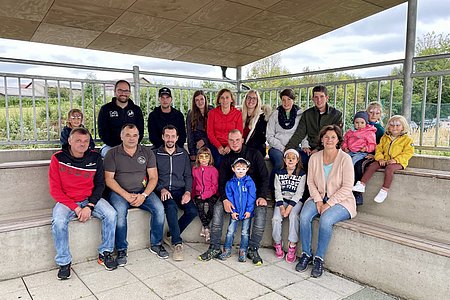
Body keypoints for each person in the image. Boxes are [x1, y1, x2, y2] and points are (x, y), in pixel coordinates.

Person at [49, 127, 118, 280]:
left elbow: (100, 185)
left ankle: (105, 253)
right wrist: (75, 208)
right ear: (70, 141)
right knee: (58, 221)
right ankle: (64, 262)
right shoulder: (58, 158)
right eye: (78, 140)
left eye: (86, 141)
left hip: (89, 199)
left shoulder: (95, 157)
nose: (82, 144)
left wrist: (89, 206)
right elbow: (55, 191)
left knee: (111, 214)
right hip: (67, 201)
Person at [198, 129, 269, 266]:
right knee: (218, 208)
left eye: (237, 140)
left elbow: (264, 177)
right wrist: (224, 199)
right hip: (231, 196)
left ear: (242, 140)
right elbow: (222, 181)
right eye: (231, 140)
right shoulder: (226, 158)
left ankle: (252, 249)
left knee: (261, 211)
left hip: (251, 196)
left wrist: (261, 196)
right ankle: (214, 247)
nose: (234, 143)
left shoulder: (254, 154)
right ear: (228, 141)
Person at [295, 125, 356, 278]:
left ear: (338, 140)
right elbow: (311, 182)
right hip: (319, 196)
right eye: (326, 137)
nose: (329, 140)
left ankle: (319, 258)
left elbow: (347, 187)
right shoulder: (315, 158)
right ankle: (306, 254)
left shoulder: (345, 158)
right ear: (321, 139)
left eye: (333, 137)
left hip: (341, 200)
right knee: (303, 217)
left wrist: (328, 203)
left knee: (326, 219)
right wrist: (318, 200)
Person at [104, 124, 168, 265]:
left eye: (134, 135)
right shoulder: (112, 153)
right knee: (120, 213)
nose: (131, 138)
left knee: (159, 209)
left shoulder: (147, 152)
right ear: (121, 136)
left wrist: (144, 195)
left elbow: (153, 178)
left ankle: (156, 244)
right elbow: (109, 179)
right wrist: (126, 195)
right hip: (119, 193)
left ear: (139, 137)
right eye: (128, 135)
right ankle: (121, 249)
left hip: (142, 192)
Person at [154, 125, 197, 261]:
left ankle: (170, 234)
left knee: (192, 211)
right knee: (171, 207)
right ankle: (177, 243)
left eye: (173, 136)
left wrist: (188, 192)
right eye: (167, 136)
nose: (170, 139)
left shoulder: (182, 153)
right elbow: (151, 177)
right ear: (163, 137)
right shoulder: (155, 153)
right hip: (163, 190)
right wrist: (161, 188)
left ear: (177, 138)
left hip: (180, 190)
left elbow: (188, 176)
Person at [353, 115, 414, 203]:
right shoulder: (385, 137)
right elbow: (379, 149)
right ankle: (361, 184)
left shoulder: (407, 139)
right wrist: (380, 158)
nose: (394, 127)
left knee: (389, 169)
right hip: (384, 160)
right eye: (392, 125)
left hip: (398, 162)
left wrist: (396, 160)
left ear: (403, 127)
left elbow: (408, 153)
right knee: (373, 165)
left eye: (398, 125)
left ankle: (384, 190)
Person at [285, 85, 343, 170]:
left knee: (317, 161)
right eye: (316, 97)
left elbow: (337, 138)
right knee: (296, 160)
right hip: (310, 148)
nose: (319, 100)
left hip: (329, 148)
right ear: (312, 99)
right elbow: (299, 134)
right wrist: (288, 150)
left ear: (327, 98)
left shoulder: (336, 115)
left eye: (321, 97)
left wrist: (319, 149)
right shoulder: (307, 114)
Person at [219, 158, 256, 262]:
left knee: (245, 232)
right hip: (235, 212)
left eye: (243, 169)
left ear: (247, 169)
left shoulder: (250, 182)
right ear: (233, 169)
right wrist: (232, 212)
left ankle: (243, 250)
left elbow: (252, 197)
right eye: (238, 168)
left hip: (246, 213)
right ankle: (227, 249)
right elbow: (229, 198)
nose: (241, 171)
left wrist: (249, 210)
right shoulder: (230, 183)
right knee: (230, 231)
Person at [272, 149, 306, 263]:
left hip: (295, 202)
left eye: (293, 158)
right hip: (282, 200)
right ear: (284, 160)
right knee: (276, 218)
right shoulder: (279, 173)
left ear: (297, 160)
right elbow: (277, 191)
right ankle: (277, 242)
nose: (290, 159)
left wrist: (289, 209)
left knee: (293, 216)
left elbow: (299, 194)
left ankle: (292, 244)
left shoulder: (301, 174)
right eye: (288, 157)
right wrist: (282, 207)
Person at [97, 80, 144, 157]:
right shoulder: (106, 109)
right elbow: (102, 132)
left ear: (129, 92)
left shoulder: (136, 110)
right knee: (110, 156)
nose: (123, 93)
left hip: (132, 145)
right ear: (115, 91)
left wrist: (130, 145)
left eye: (126, 91)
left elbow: (140, 131)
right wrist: (119, 147)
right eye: (120, 90)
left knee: (144, 156)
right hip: (111, 146)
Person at [266, 88, 303, 186]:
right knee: (280, 162)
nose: (286, 103)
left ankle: (298, 191)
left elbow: (303, 133)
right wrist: (283, 149)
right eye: (283, 100)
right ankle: (271, 189)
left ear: (293, 100)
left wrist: (305, 145)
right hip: (277, 148)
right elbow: (269, 136)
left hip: (294, 147)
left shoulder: (300, 114)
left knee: (303, 161)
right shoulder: (275, 114)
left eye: (289, 100)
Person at [353, 102, 385, 205]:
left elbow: (381, 145)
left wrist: (374, 155)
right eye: (371, 112)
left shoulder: (379, 129)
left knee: (359, 165)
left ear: (380, 115)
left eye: (377, 113)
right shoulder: (360, 125)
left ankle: (358, 193)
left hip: (371, 154)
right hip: (356, 152)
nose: (373, 115)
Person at [207, 88, 243, 167]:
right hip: (216, 145)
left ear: (231, 100)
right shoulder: (212, 113)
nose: (224, 100)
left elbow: (239, 133)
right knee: (219, 161)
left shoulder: (237, 114)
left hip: (233, 144)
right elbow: (210, 133)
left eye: (227, 97)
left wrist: (229, 146)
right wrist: (219, 146)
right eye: (222, 98)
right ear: (219, 100)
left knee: (233, 162)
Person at [191, 147, 218, 242]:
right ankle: (206, 228)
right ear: (198, 158)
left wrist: (205, 195)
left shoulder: (213, 170)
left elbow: (214, 186)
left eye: (206, 156)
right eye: (201, 156)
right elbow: (194, 183)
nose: (204, 159)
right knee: (200, 206)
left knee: (212, 207)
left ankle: (204, 227)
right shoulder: (195, 169)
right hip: (199, 194)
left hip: (211, 194)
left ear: (210, 158)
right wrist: (192, 195)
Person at [242, 90, 270, 157]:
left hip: (255, 148)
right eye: (249, 98)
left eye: (254, 98)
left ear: (258, 101)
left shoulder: (262, 117)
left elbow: (262, 138)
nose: (251, 100)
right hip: (239, 146)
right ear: (245, 99)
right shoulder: (239, 114)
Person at [186, 90, 212, 161]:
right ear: (194, 102)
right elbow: (189, 134)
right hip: (197, 144)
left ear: (205, 99)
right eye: (197, 100)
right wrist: (192, 152)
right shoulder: (191, 113)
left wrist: (205, 140)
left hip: (210, 141)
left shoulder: (212, 110)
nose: (200, 102)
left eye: (201, 99)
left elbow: (216, 130)